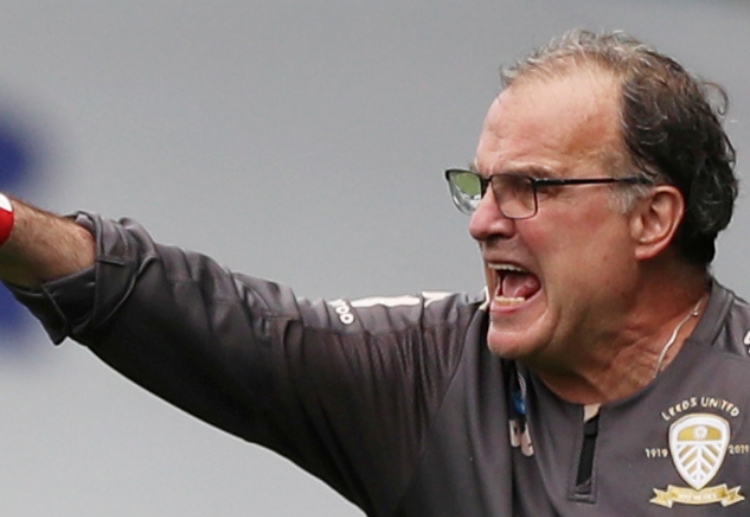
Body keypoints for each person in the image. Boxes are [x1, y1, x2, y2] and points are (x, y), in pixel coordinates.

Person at [0, 28, 746, 515]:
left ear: (652, 219)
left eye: (531, 187)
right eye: (482, 187)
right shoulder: (432, 374)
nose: (484, 222)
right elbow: (216, 321)